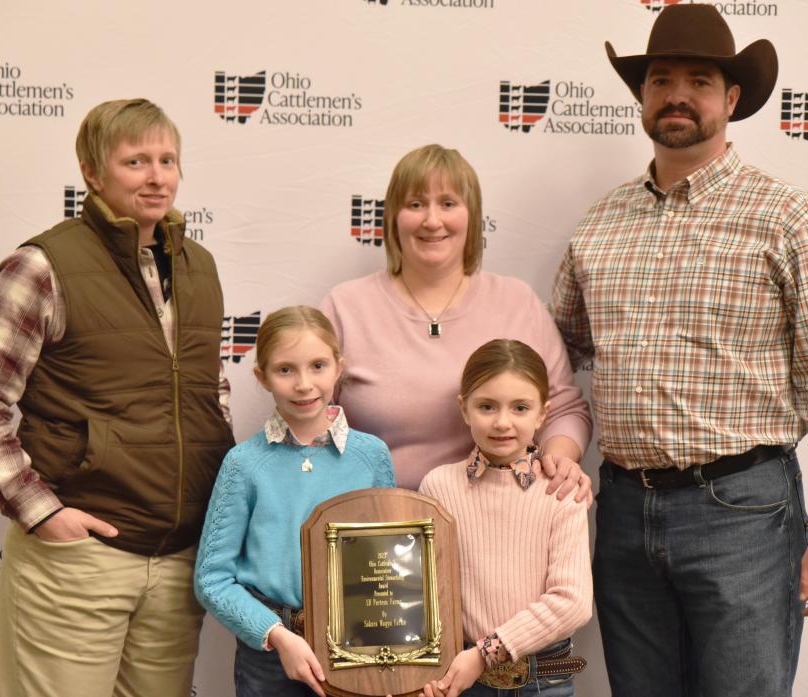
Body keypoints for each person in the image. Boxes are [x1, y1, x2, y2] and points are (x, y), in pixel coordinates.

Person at [551, 5, 808, 696]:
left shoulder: (786, 214)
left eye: (698, 80)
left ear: (731, 99)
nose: (677, 94)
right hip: (622, 512)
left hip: (744, 513)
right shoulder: (599, 225)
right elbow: (555, 358)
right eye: (660, 78)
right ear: (641, 96)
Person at [0, 98, 235, 697]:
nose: (157, 177)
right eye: (135, 161)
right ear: (92, 172)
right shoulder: (43, 266)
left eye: (167, 160)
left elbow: (211, 392)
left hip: (180, 557)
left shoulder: (199, 265)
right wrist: (42, 513)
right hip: (80, 560)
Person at [322, 144, 593, 502]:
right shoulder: (344, 307)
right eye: (415, 204)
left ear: (472, 216)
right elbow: (312, 421)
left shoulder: (517, 302)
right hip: (377, 525)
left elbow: (564, 408)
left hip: (497, 517)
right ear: (392, 218)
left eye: (448, 204)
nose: (432, 221)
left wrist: (558, 459)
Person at [194, 306, 395, 697]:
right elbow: (211, 578)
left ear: (339, 367)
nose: (304, 384)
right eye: (286, 370)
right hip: (271, 653)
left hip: (358, 644)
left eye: (318, 366)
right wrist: (277, 635)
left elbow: (389, 561)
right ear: (262, 376)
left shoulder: (372, 456)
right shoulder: (244, 464)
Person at [418, 339, 592, 697]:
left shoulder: (560, 491)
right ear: (463, 409)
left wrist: (486, 653)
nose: (502, 422)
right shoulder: (438, 487)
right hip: (462, 676)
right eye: (486, 406)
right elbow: (426, 592)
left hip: (542, 679)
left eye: (520, 408)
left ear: (543, 414)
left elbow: (572, 602)